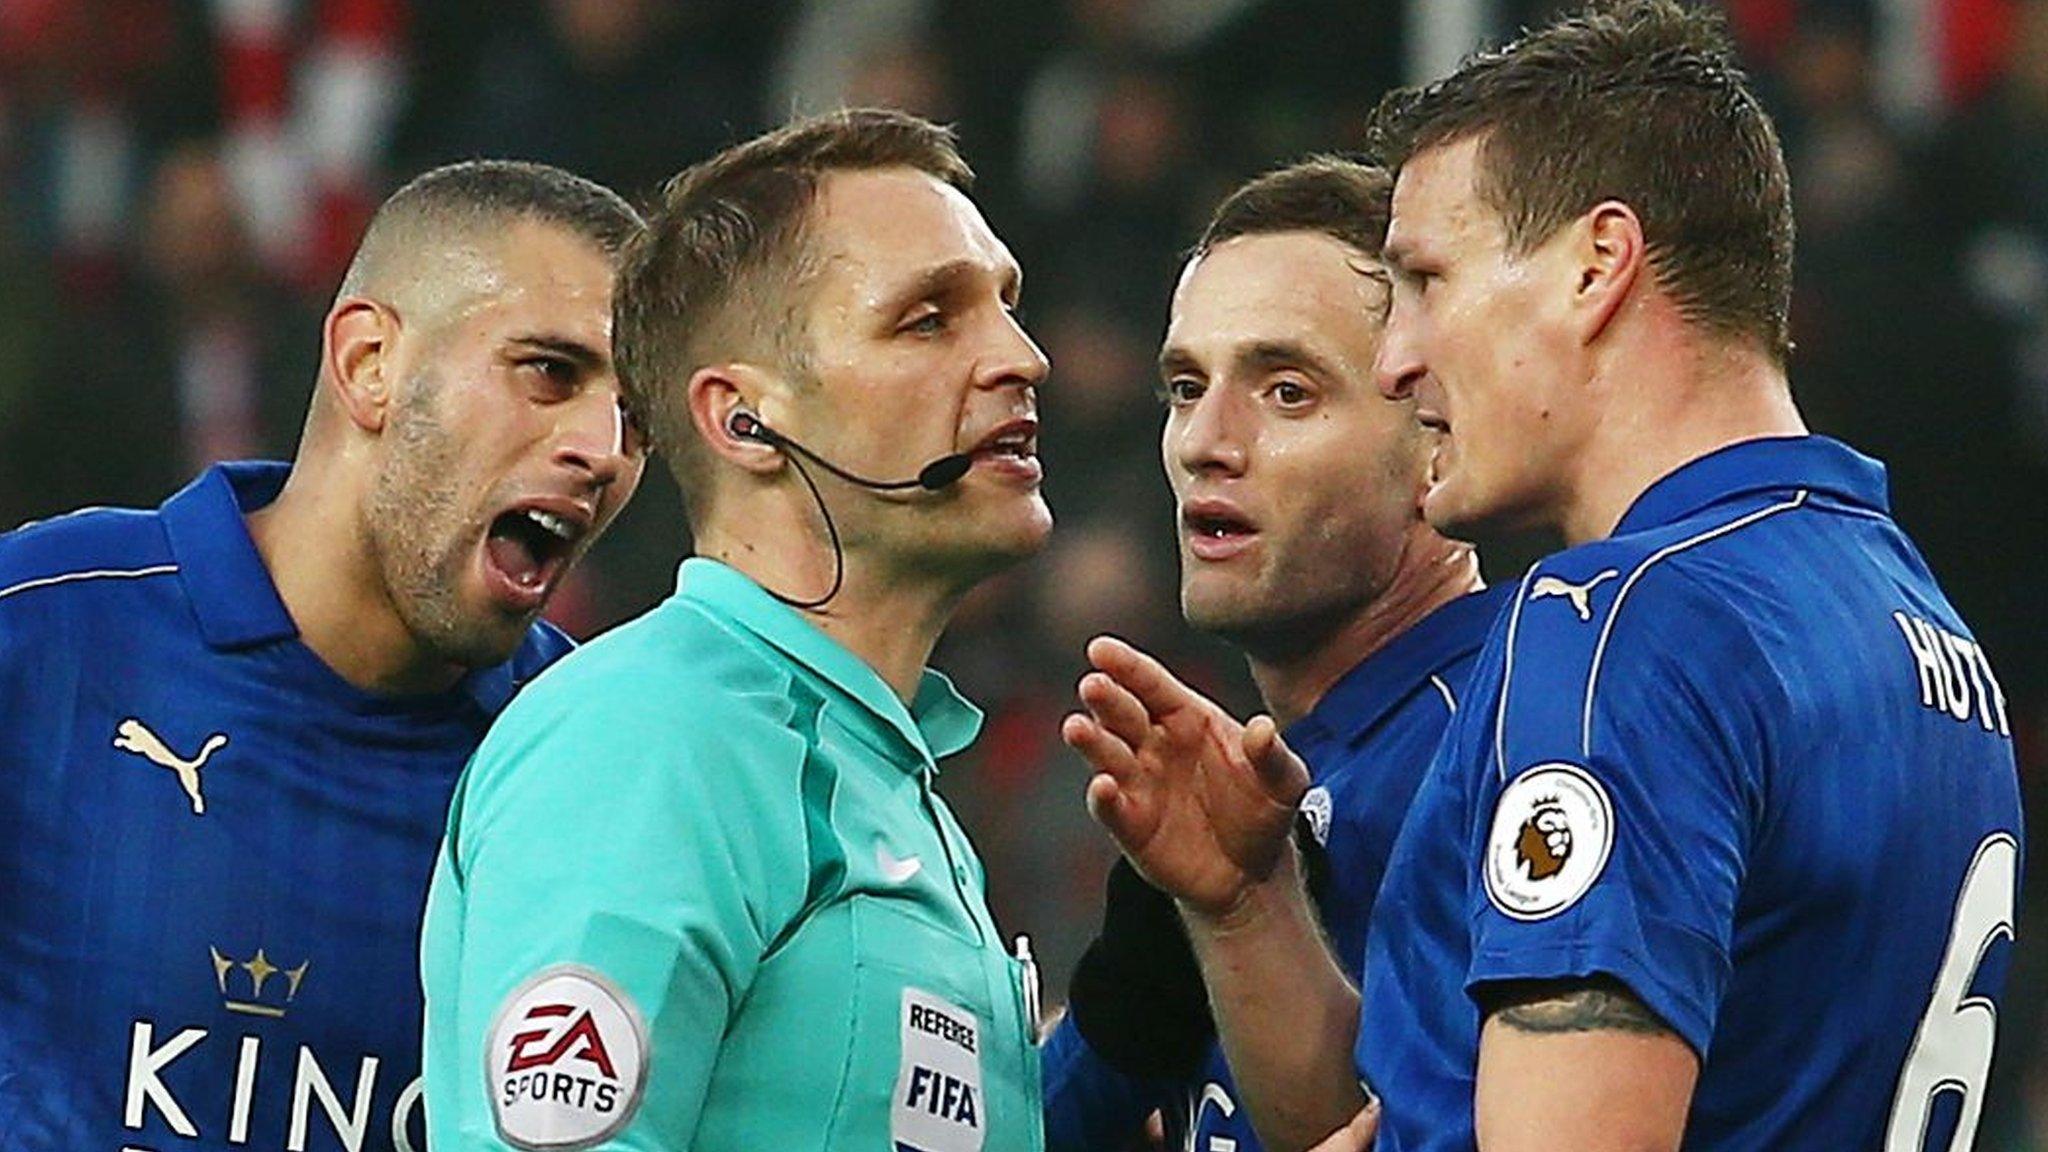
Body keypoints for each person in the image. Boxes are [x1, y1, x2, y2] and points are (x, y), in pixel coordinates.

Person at [1061, 3, 2024, 1150]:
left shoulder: (1620, 629)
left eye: (1427, 279)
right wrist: (1246, 910)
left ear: (1593, 267)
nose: (1399, 354)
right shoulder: (1910, 615)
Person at [421, 108, 1051, 1152]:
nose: (1019, 358)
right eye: (929, 319)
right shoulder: (651, 741)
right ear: (744, 421)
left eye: (1004, 306)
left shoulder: (884, 776)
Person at [0, 160, 645, 1151]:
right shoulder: (42, 633)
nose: (601, 449)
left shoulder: (596, 768)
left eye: (634, 419)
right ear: (370, 362)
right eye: (549, 373)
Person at [1037, 157, 1510, 1152]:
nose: (1205, 441)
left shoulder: (1514, 738)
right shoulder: (1235, 789)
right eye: (1182, 386)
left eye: (1285, 392)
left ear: (1437, 437)